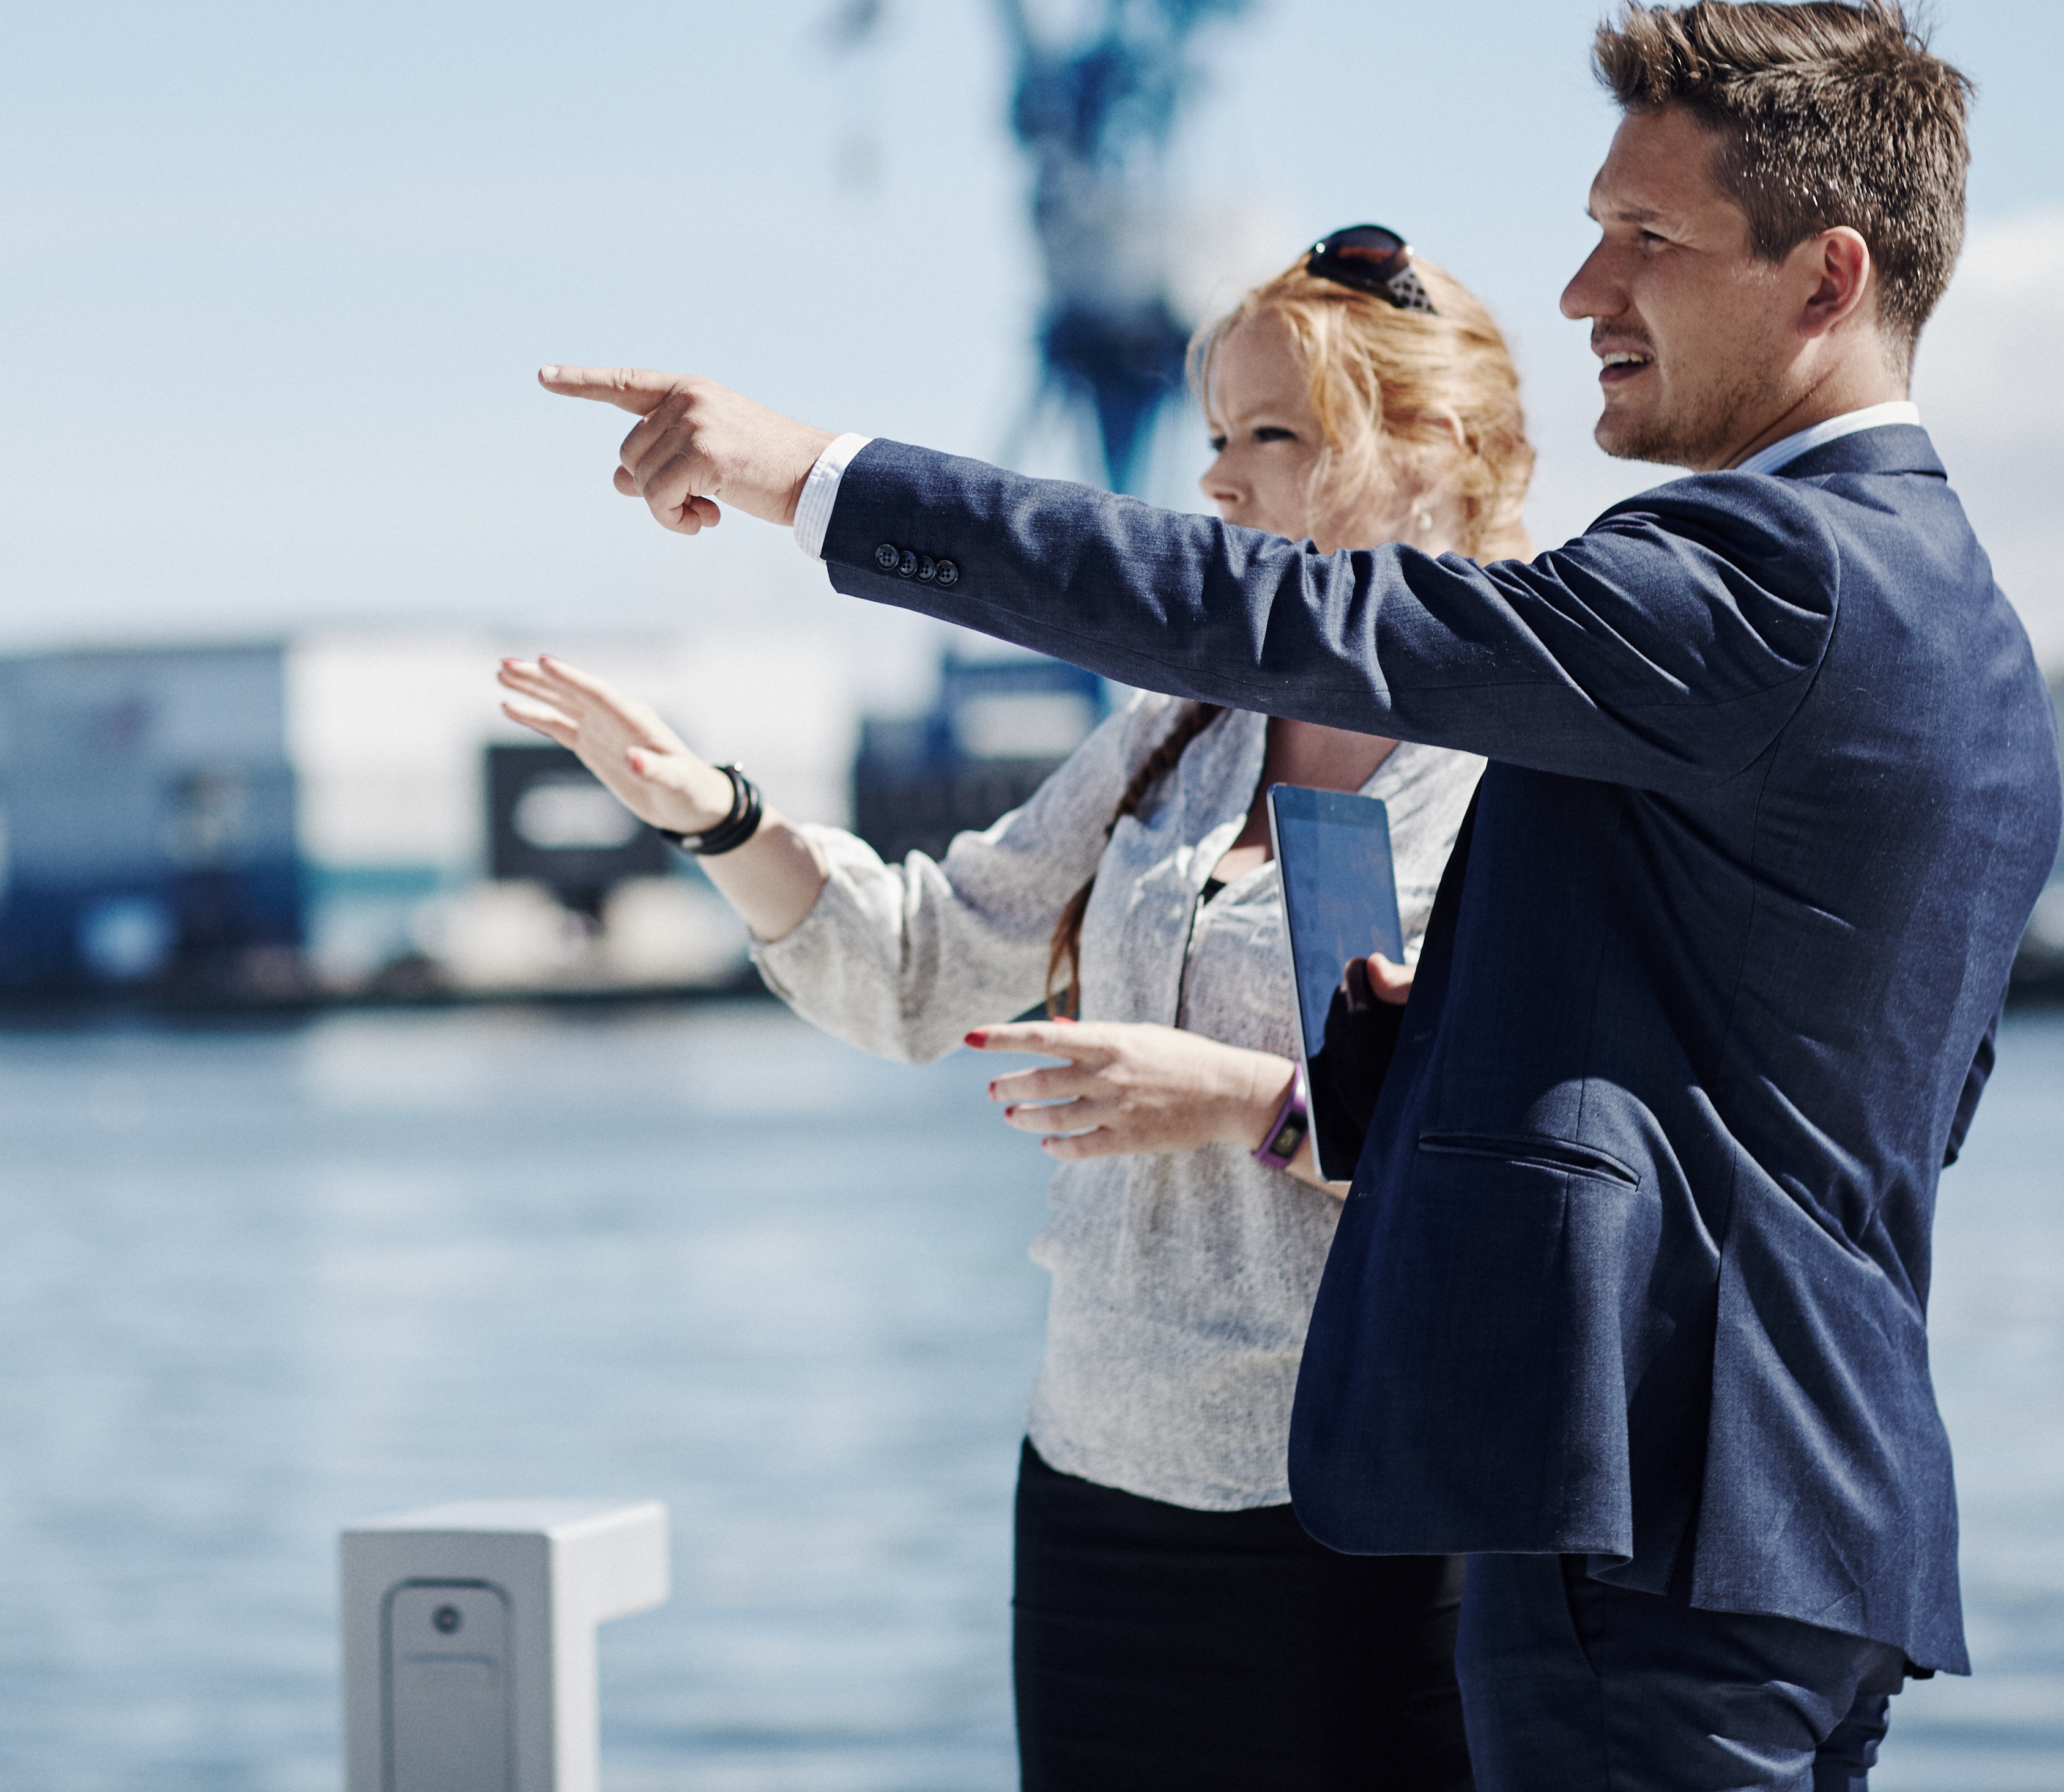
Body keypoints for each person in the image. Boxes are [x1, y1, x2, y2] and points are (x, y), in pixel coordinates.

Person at [535, 0, 2060, 1791]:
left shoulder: (1768, 576)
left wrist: (815, 479)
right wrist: (1426, 1067)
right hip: (1753, 1506)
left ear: (1826, 279)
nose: (1586, 290)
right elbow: (1817, 1094)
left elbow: (1283, 617)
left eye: (1645, 239)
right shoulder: (1952, 614)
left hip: (1650, 1519)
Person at [500, 232, 1535, 1790]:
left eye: (1277, 436)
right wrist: (713, 813)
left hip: (1372, 1523)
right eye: (1215, 440)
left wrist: (1235, 1096)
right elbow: (920, 967)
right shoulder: (1183, 727)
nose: (1223, 485)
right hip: (1094, 1498)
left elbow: (1539, 1159)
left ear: (1437, 451)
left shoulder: (1532, 777)